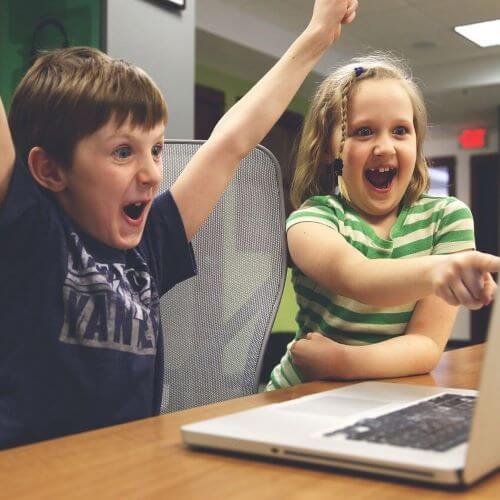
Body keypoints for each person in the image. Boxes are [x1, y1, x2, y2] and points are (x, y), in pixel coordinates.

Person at [0, 0, 359, 448]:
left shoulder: (151, 242)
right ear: (51, 171)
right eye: (122, 152)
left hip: (126, 469)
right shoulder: (27, 230)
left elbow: (232, 143)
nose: (152, 173)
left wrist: (317, 36)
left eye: (155, 149)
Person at [267, 53, 500, 391]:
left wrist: (342, 362)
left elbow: (426, 346)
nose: (385, 147)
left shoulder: (447, 218)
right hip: (301, 395)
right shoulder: (311, 220)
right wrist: (438, 271)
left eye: (400, 131)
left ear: (417, 142)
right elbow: (358, 277)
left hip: (384, 395)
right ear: (330, 149)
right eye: (364, 131)